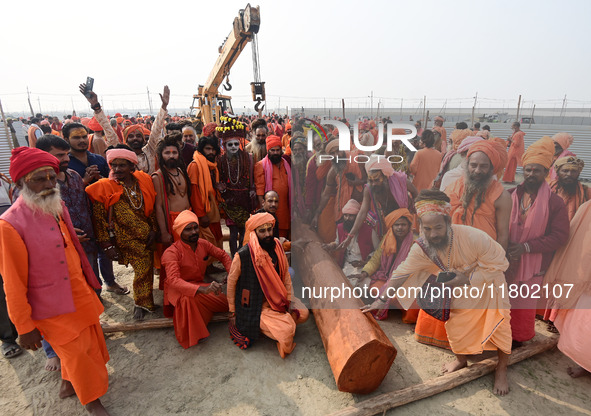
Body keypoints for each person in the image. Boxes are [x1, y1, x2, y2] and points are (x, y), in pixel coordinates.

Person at [363, 189, 512, 396]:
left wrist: (468, 279)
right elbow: (401, 273)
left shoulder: (474, 237)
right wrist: (381, 299)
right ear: (421, 226)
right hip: (460, 293)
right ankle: (460, 360)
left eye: (438, 227)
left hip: (489, 285)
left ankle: (502, 370)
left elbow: (501, 263)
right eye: (427, 228)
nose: (433, 234)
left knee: (500, 327)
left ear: (448, 222)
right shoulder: (423, 247)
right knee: (456, 327)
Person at [0, 147, 110, 414]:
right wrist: (24, 327)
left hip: (79, 291)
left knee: (91, 343)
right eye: (39, 179)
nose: (49, 184)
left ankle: (67, 382)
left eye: (52, 176)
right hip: (50, 305)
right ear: (21, 182)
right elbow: (12, 283)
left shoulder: (57, 206)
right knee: (77, 352)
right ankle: (92, 401)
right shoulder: (9, 224)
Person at [35, 135, 128, 296]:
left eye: (66, 154)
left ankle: (102, 291)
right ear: (43, 155)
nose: (65, 159)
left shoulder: (74, 176)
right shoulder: (38, 185)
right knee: (79, 278)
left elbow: (85, 204)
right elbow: (37, 224)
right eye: (59, 155)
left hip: (89, 234)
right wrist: (65, 236)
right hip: (63, 244)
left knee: (93, 269)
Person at [505, 136, 569, 347]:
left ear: (546, 171)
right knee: (501, 299)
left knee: (522, 304)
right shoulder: (509, 194)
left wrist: (526, 247)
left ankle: (517, 338)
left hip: (533, 265)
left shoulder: (554, 202)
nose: (532, 174)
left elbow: (560, 236)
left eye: (537, 170)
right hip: (505, 259)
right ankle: (498, 334)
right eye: (528, 170)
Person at [86, 147, 158, 320]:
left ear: (132, 166)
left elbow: (151, 206)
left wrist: (154, 229)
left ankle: (145, 301)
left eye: (122, 165)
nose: (117, 169)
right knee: (142, 269)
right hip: (123, 239)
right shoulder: (104, 187)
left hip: (146, 235)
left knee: (146, 269)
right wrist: (106, 245)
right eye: (114, 165)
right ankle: (140, 304)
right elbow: (99, 220)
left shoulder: (143, 181)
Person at [227, 213, 308, 358]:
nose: (267, 234)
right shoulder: (243, 255)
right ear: (254, 233)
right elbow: (231, 284)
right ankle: (272, 326)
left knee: (303, 313)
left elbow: (286, 277)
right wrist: (233, 311)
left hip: (279, 298)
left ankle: (271, 326)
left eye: (269, 229)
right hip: (257, 305)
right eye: (262, 231)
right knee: (286, 332)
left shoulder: (277, 245)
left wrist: (289, 300)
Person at [161, 211, 231, 349]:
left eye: (195, 228)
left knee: (226, 305)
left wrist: (231, 273)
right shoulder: (171, 253)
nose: (193, 232)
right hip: (180, 292)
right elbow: (174, 280)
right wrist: (201, 289)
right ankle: (194, 332)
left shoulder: (203, 243)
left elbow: (223, 255)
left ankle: (201, 314)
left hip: (200, 286)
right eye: (188, 229)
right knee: (189, 300)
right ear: (180, 232)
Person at [543, 200, 591, 378]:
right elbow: (577, 243)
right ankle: (585, 365)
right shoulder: (588, 208)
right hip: (586, 276)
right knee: (583, 322)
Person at [446, 140, 511, 247]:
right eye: (473, 165)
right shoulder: (453, 188)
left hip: (484, 256)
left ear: (491, 168)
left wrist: (497, 262)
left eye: (483, 166)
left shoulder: (501, 196)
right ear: (467, 165)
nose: (477, 170)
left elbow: (503, 235)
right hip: (454, 253)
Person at [355, 209, 415, 313]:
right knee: (371, 286)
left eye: (403, 225)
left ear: (409, 226)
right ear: (392, 226)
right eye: (397, 225)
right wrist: (365, 273)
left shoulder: (415, 242)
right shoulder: (386, 239)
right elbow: (375, 259)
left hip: (407, 281)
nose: (400, 228)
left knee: (402, 299)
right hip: (387, 276)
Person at [217, 116, 254, 256]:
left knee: (244, 231)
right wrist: (222, 190)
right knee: (233, 233)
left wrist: (252, 190)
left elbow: (251, 176)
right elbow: (219, 179)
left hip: (245, 201)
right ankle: (234, 258)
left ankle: (243, 256)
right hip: (230, 201)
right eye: (230, 144)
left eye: (236, 144)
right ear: (224, 146)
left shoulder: (247, 158)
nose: (233, 147)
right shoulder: (220, 161)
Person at [323, 199, 377, 285]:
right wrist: (331, 245)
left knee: (363, 285)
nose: (347, 218)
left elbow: (378, 252)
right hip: (348, 264)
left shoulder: (369, 230)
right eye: (345, 215)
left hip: (365, 266)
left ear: (358, 216)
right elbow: (338, 242)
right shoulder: (341, 227)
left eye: (351, 216)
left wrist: (366, 261)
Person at [152, 134, 192, 247]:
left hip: (188, 217)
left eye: (174, 153)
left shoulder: (181, 170)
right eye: (167, 153)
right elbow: (158, 206)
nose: (171, 156)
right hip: (173, 221)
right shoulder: (158, 176)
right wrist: (164, 232)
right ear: (160, 156)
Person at [187, 134, 224, 251]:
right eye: (208, 149)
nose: (211, 152)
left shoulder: (213, 166)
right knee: (206, 239)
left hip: (213, 208)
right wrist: (201, 215)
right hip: (203, 210)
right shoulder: (195, 165)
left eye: (213, 149)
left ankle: (211, 265)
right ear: (201, 149)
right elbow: (194, 192)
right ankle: (206, 267)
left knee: (215, 236)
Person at [122, 86, 170, 175]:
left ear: (143, 139)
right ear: (126, 139)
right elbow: (110, 134)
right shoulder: (123, 155)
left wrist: (164, 106)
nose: (135, 138)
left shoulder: (149, 150)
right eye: (131, 136)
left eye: (138, 136)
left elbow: (156, 130)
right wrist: (97, 108)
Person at [254, 135, 292, 238]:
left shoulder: (287, 164)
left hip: (286, 209)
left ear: (281, 150)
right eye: (272, 150)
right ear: (268, 151)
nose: (275, 153)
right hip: (270, 209)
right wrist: (264, 212)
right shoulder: (260, 165)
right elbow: (260, 190)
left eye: (278, 150)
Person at [549, 156, 590, 221]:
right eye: (565, 171)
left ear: (578, 173)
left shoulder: (586, 192)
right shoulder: (548, 189)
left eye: (573, 171)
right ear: (558, 172)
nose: (569, 174)